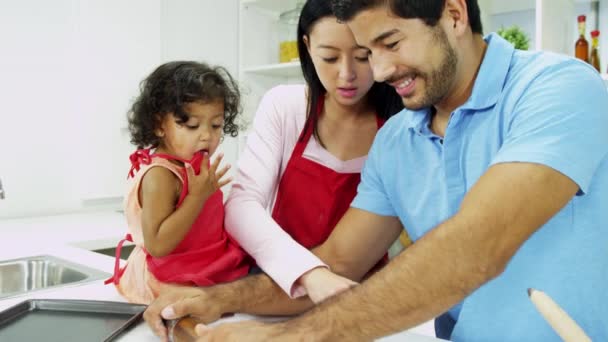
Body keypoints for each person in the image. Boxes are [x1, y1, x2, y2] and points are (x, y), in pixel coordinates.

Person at [147, 0, 608, 341]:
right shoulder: (397, 139)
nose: (381, 70)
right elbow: (338, 263)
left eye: (390, 43)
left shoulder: (559, 89)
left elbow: (477, 246)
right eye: (371, 51)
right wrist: (222, 299)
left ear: (453, 14)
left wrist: (288, 338)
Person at [223, 0, 404, 303]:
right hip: (280, 284)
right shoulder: (286, 106)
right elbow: (242, 204)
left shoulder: (400, 129)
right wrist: (309, 272)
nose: (347, 74)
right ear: (307, 47)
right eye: (330, 57)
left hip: (360, 295)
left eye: (362, 56)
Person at [104, 61, 251, 304]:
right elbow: (158, 245)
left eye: (216, 125)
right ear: (159, 125)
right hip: (165, 278)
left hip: (200, 266)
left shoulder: (191, 167)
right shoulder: (161, 175)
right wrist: (196, 197)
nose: (207, 135)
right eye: (192, 125)